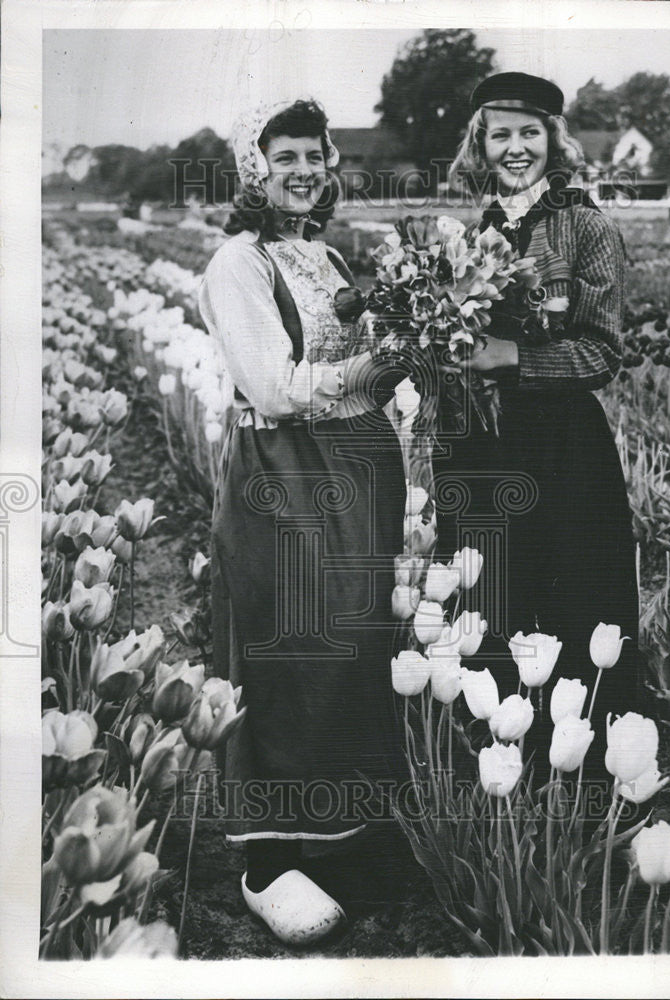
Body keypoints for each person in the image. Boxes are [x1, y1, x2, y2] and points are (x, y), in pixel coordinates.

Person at [199, 98, 412, 943]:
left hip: (358, 465)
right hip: (285, 472)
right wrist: (373, 361)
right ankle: (266, 855)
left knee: (355, 640)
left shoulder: (323, 255)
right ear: (254, 169)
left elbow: (360, 381)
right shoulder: (239, 263)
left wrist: (413, 346)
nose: (301, 170)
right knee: (291, 640)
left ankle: (345, 836)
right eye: (281, 156)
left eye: (312, 156)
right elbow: (273, 386)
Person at [440, 72, 641, 808]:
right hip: (482, 446)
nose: (515, 147)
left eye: (530, 132)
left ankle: (581, 779)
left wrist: (512, 358)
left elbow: (603, 353)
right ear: (480, 145)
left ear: (553, 141)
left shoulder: (584, 228)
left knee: (573, 601)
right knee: (491, 590)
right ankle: (500, 763)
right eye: (501, 134)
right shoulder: (469, 233)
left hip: (560, 447)